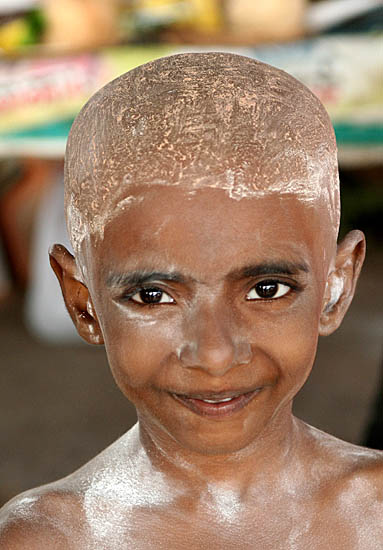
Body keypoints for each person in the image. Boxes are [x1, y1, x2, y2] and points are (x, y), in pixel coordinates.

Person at [0, 53, 382, 549]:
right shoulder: (43, 541)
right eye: (153, 295)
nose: (215, 354)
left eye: (267, 289)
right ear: (83, 302)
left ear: (336, 285)